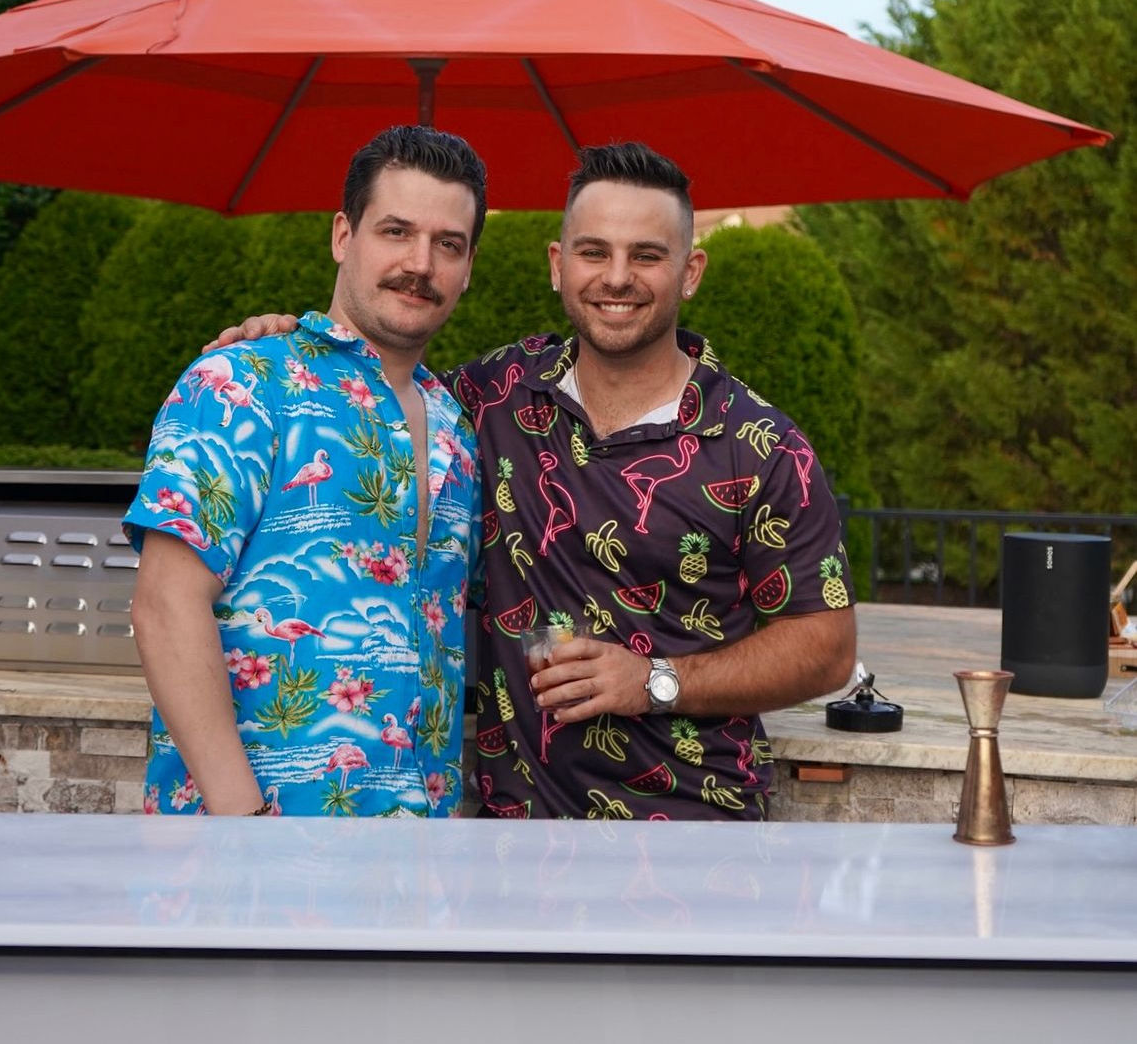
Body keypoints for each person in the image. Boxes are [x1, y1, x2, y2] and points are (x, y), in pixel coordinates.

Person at [209, 141, 856, 819]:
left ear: (690, 272)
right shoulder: (492, 397)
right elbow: (377, 382)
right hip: (514, 839)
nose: (617, 278)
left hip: (695, 831)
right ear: (557, 264)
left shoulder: (761, 446)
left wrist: (656, 681)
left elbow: (827, 648)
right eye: (594, 252)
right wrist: (287, 341)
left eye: (646, 255)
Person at [125, 124, 486, 817]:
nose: (420, 263)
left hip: (418, 849)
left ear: (468, 267)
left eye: (448, 244)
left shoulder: (457, 429)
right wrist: (242, 823)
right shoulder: (242, 383)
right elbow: (165, 604)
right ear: (343, 236)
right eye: (396, 232)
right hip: (249, 846)